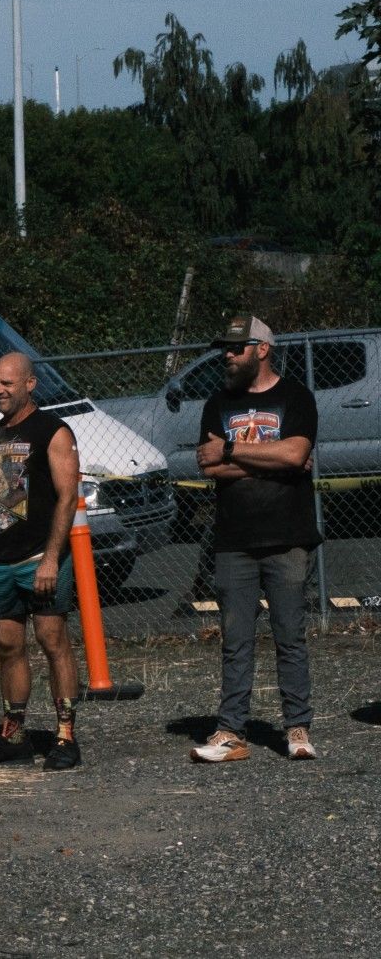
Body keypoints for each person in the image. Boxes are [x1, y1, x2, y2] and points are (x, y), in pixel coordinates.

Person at [190, 315, 320, 763]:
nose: (227, 355)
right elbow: (208, 466)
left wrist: (231, 449)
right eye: (225, 348)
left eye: (236, 347)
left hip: (287, 534)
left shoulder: (296, 397)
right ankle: (230, 732)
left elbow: (297, 453)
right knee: (235, 639)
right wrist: (273, 459)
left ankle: (297, 728)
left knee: (290, 635)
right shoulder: (217, 402)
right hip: (234, 539)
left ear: (262, 349)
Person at [0, 352, 83, 770]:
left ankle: (65, 736)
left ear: (30, 384)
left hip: (40, 558)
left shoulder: (53, 431)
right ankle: (14, 735)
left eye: (7, 383)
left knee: (52, 641)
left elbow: (67, 499)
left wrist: (51, 559)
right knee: (8, 647)